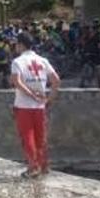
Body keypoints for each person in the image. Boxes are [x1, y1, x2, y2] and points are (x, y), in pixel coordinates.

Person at [10, 33, 60, 179]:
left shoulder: (17, 61)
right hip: (40, 106)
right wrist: (50, 98)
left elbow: (16, 82)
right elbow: (56, 80)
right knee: (41, 136)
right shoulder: (42, 60)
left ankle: (33, 168)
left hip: (23, 106)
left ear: (20, 44)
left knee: (27, 137)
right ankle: (43, 165)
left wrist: (30, 94)